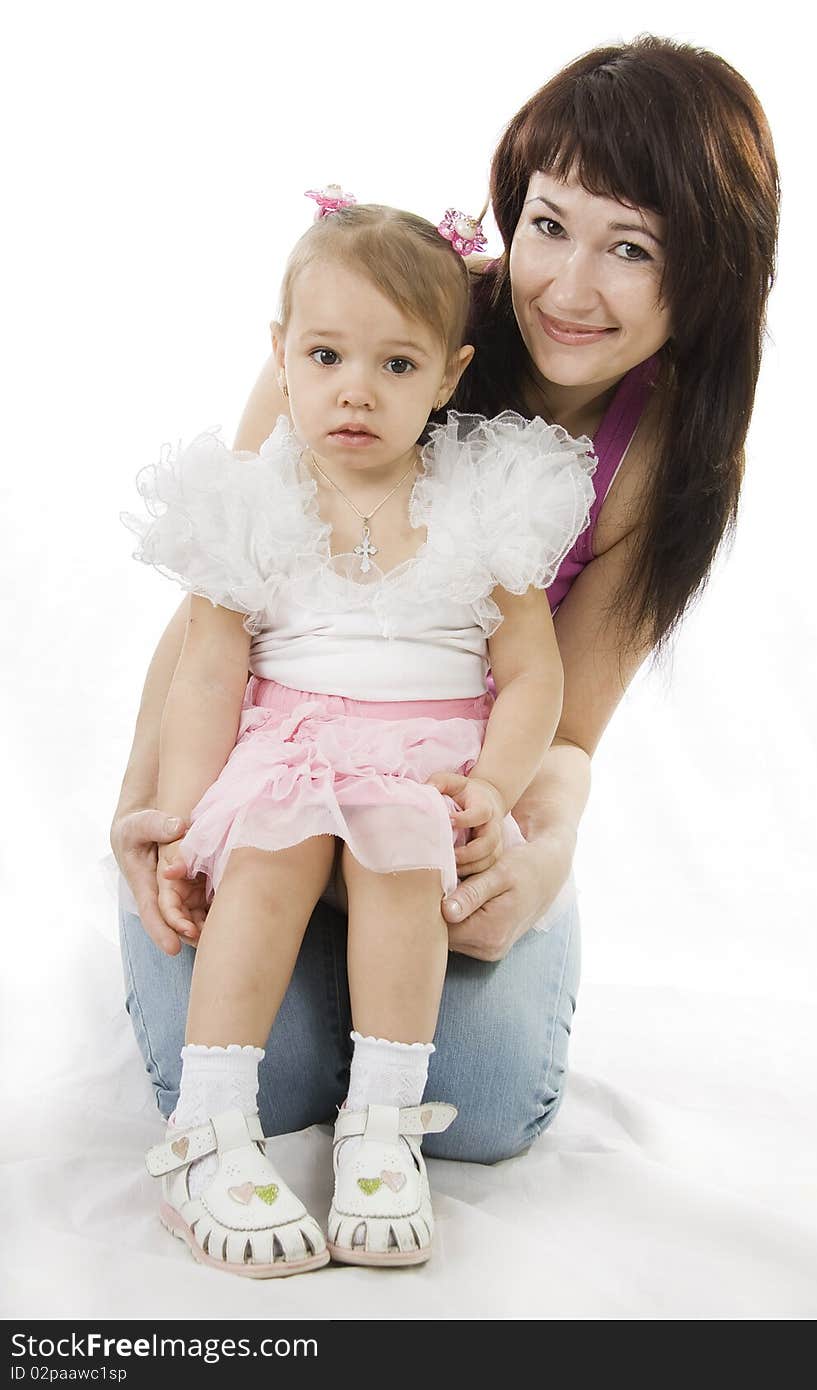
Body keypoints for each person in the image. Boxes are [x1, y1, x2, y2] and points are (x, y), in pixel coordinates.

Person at [113, 36, 779, 1175]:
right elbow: (216, 610)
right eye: (548, 224)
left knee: (482, 1103)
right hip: (280, 752)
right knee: (251, 1085)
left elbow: (562, 720)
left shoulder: (664, 453)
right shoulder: (368, 334)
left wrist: (539, 852)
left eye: (630, 248)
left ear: (710, 273)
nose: (568, 287)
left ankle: (358, 966)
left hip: (448, 793)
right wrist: (152, 816)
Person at [125, 199, 597, 1274]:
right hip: (288, 744)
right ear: (279, 356)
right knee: (264, 863)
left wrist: (493, 782)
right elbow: (210, 670)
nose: (354, 387)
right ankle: (207, 1128)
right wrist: (188, 825)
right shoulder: (255, 501)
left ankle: (383, 1126)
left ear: (447, 376)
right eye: (326, 354)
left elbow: (532, 671)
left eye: (395, 365)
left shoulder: (481, 501)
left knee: (401, 864)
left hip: (423, 756)